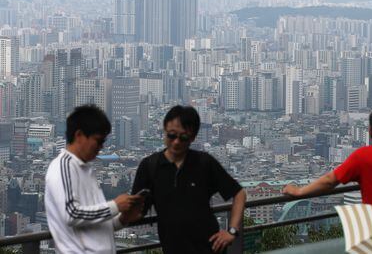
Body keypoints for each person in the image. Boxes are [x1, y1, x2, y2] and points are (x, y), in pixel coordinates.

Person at [132, 105, 247, 254]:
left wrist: (231, 231)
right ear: (164, 131)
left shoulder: (204, 163)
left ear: (193, 137)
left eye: (183, 137)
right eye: (171, 135)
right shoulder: (150, 166)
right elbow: (137, 210)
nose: (176, 142)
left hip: (211, 248)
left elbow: (239, 193)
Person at [45, 105, 144, 254]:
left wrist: (123, 219)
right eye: (98, 141)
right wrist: (116, 205)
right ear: (79, 135)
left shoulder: (86, 170)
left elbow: (95, 224)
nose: (100, 147)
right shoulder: (62, 167)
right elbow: (71, 214)